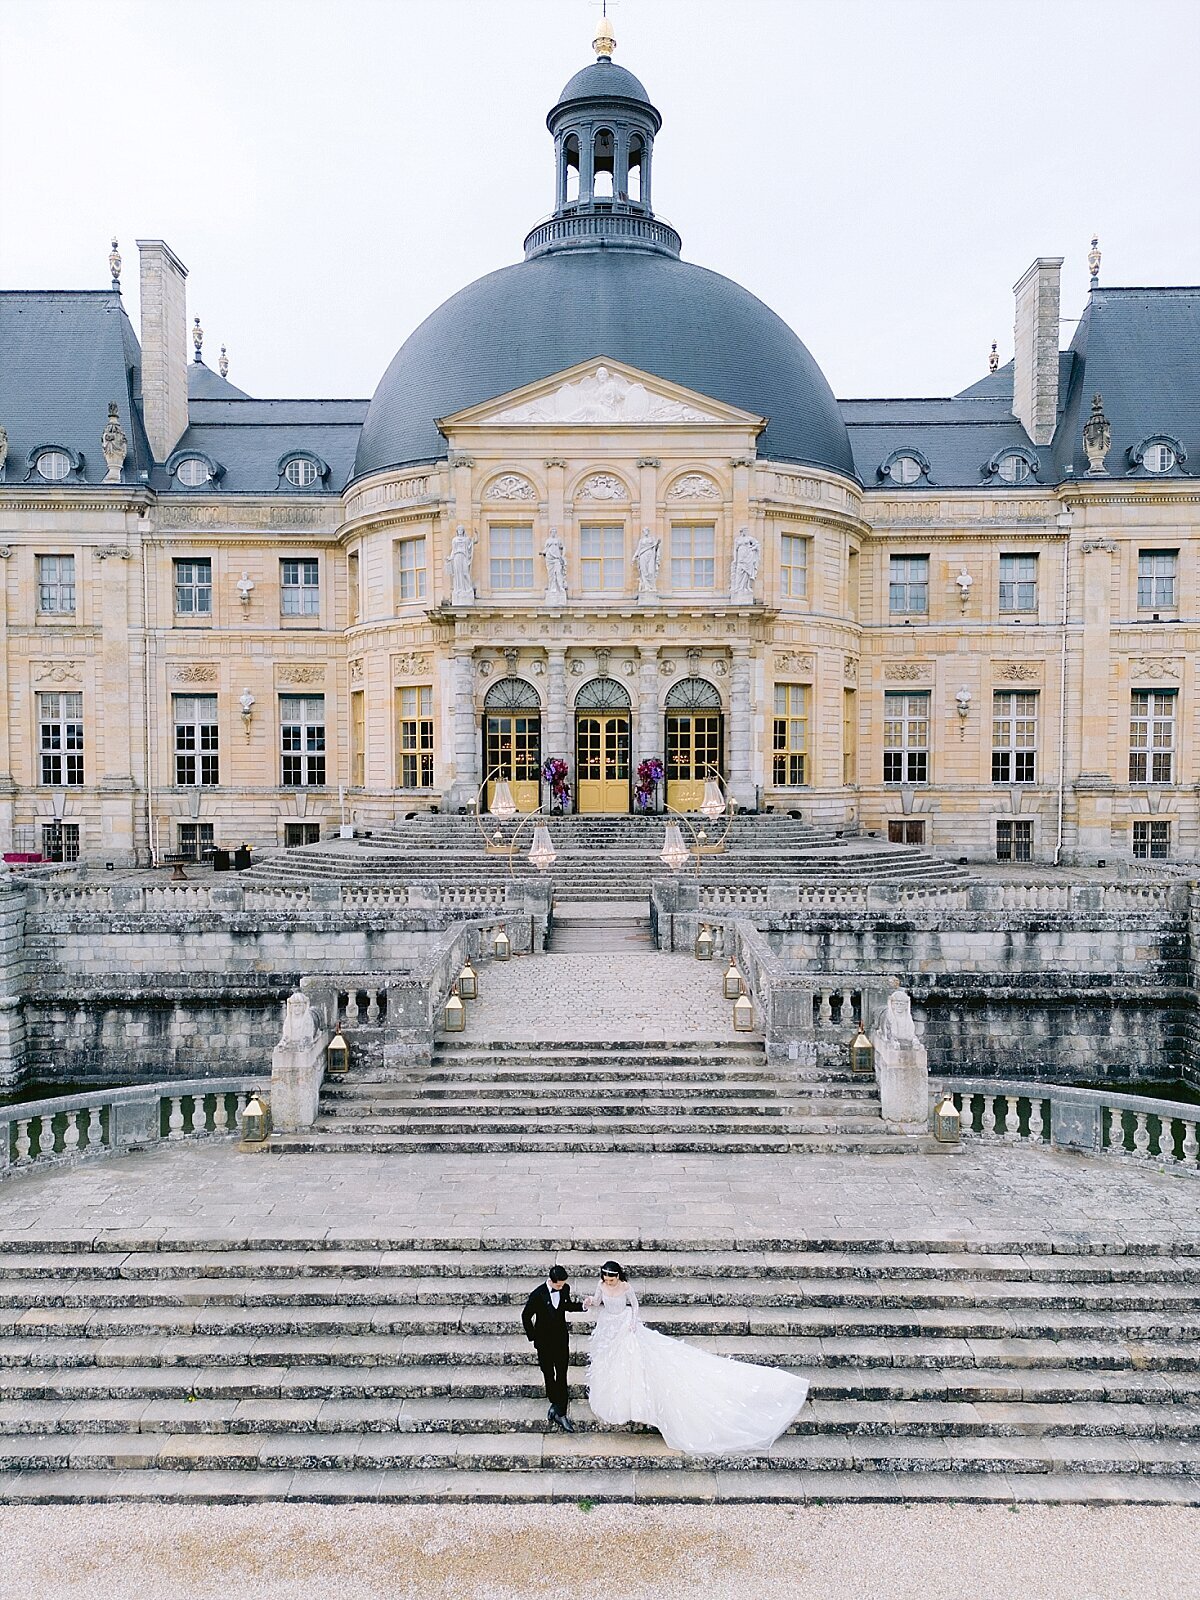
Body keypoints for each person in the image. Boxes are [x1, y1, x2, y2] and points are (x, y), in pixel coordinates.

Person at [582, 1259, 807, 1454]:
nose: (608, 1281)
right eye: (605, 1278)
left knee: (631, 1362)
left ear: (617, 1276)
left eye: (611, 1278)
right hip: (608, 1327)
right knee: (610, 1363)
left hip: (624, 1325)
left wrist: (632, 1322)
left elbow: (635, 1305)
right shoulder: (601, 1285)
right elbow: (597, 1300)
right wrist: (588, 1302)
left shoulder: (625, 1286)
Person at [522, 1265, 584, 1432]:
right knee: (548, 1373)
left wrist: (582, 1306)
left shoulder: (565, 1288)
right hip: (544, 1342)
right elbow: (525, 1316)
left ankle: (560, 1409)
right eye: (558, 1285)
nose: (561, 1287)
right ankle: (554, 1401)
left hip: (561, 1339)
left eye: (563, 1284)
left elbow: (566, 1306)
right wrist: (533, 1337)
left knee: (562, 1372)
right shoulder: (537, 1294)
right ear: (551, 1281)